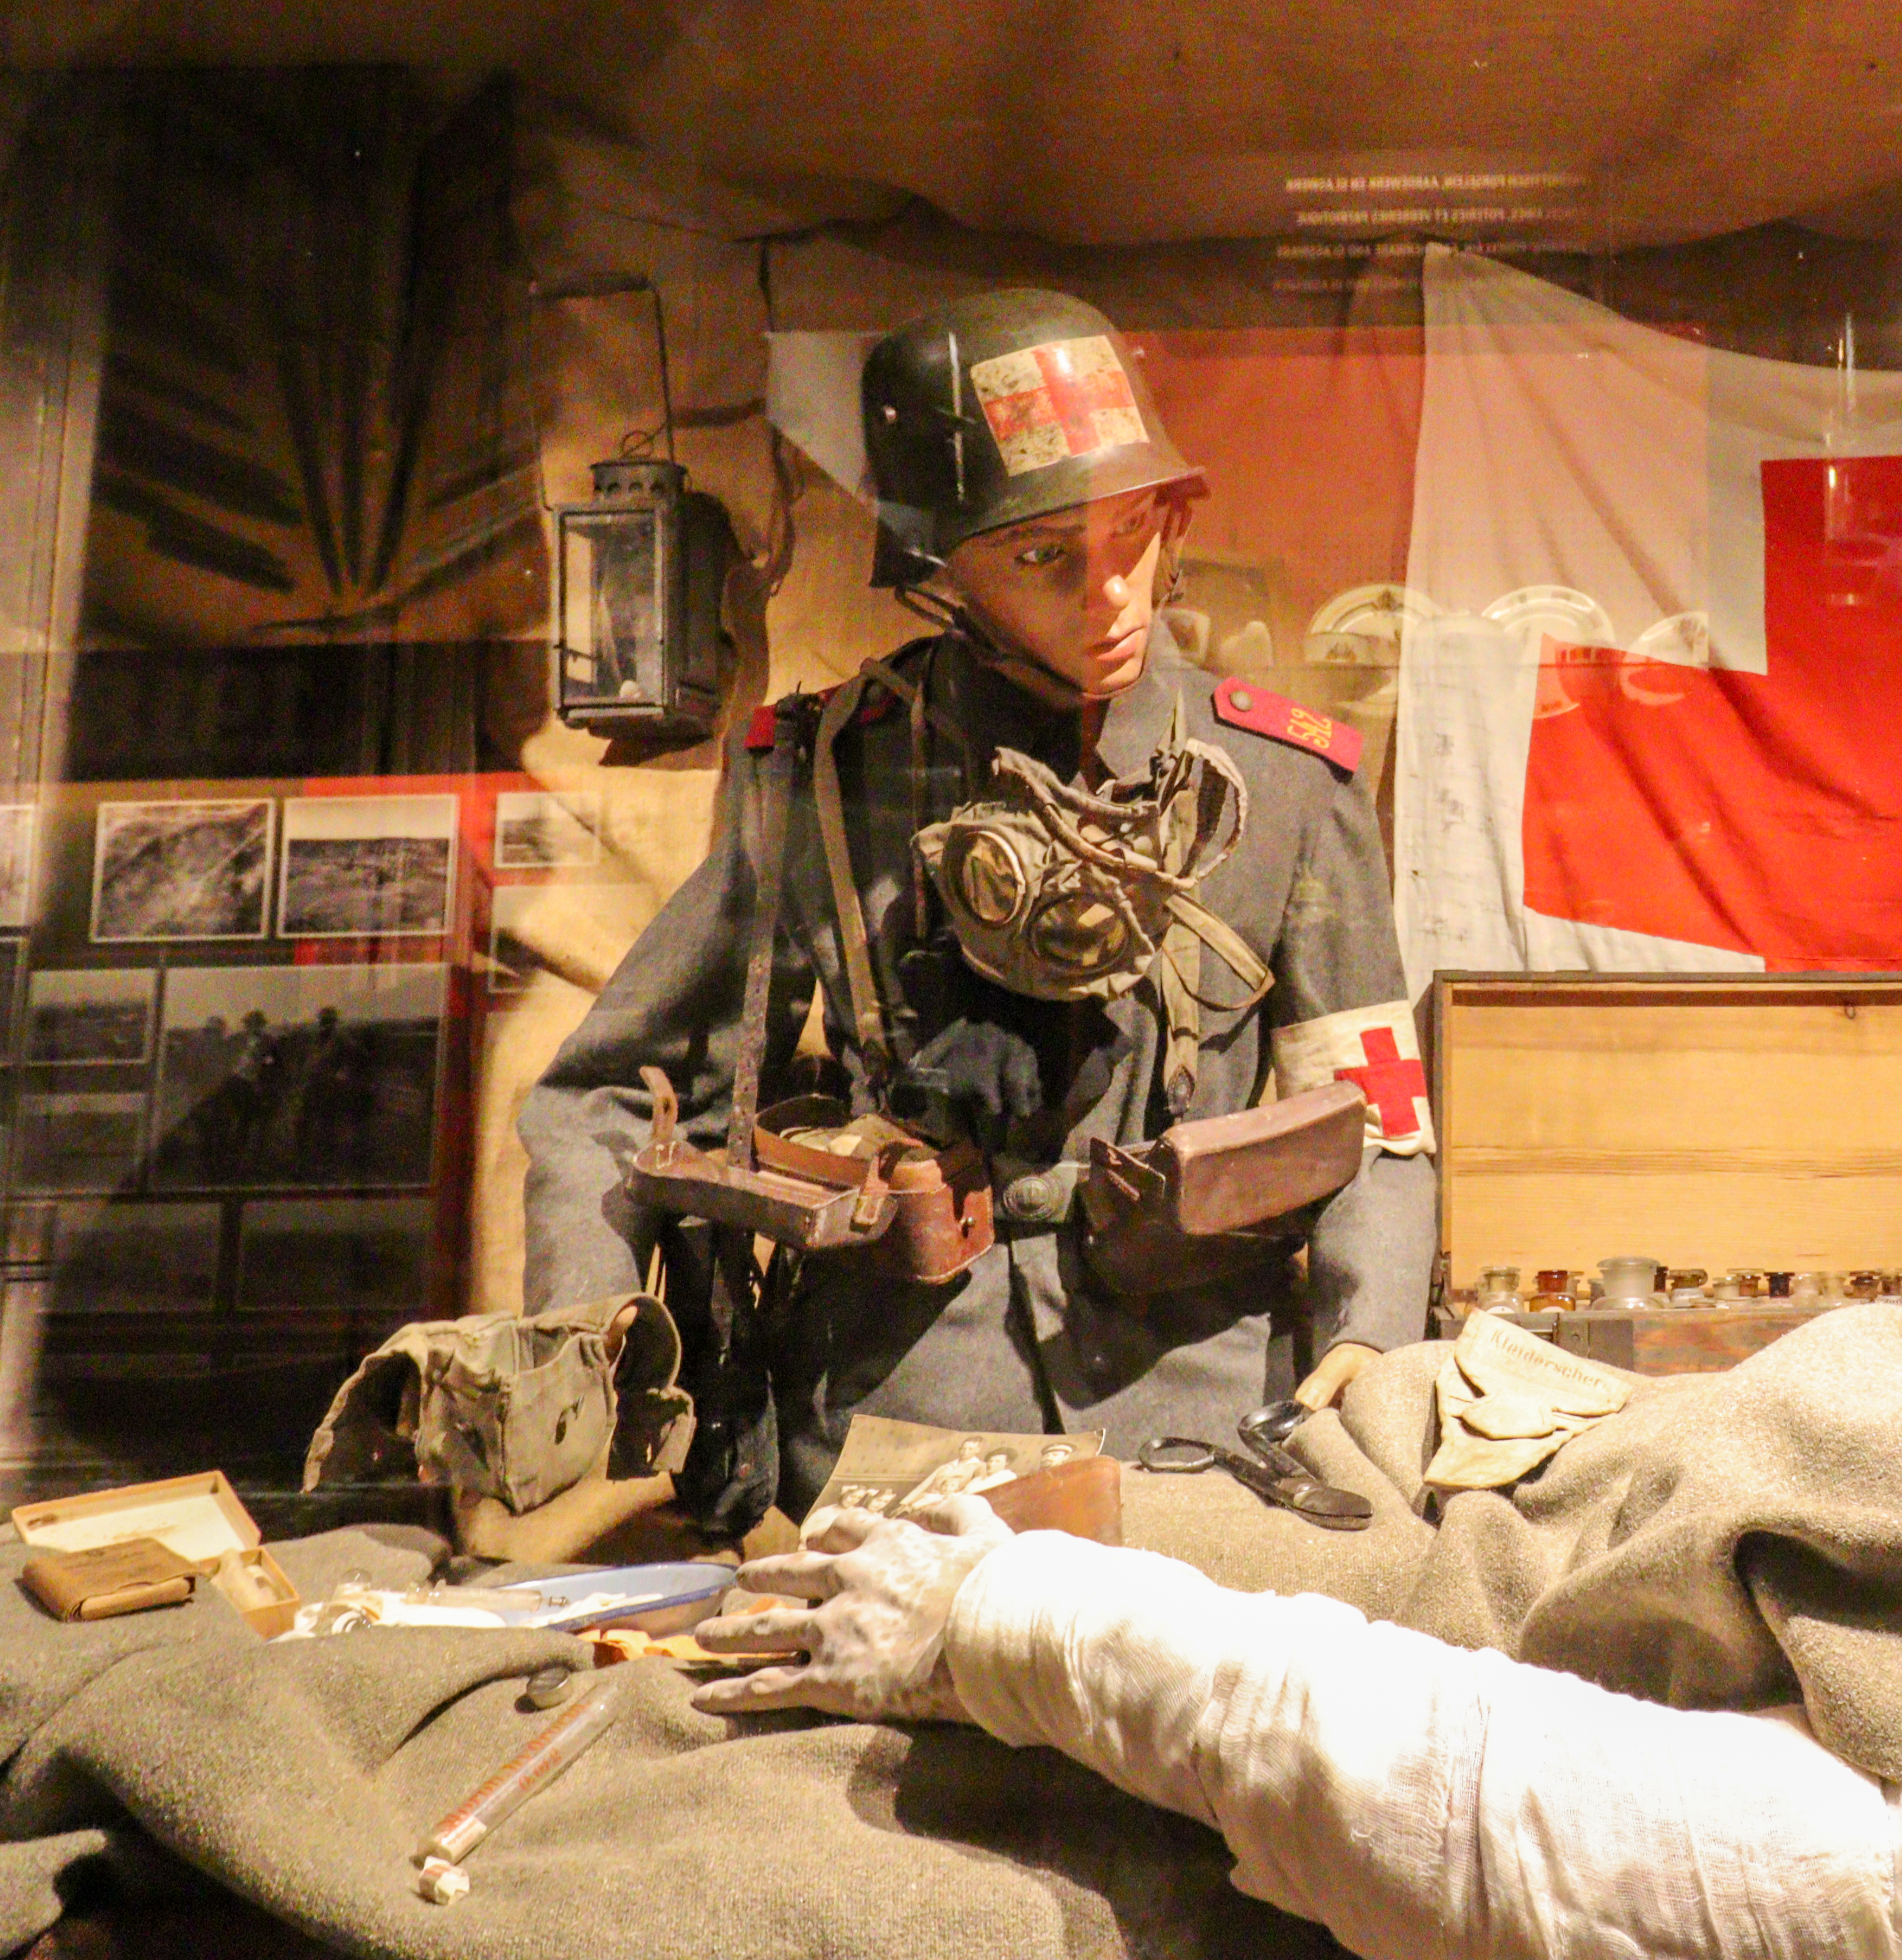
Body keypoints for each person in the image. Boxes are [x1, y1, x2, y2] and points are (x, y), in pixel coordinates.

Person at [520, 289, 1436, 1526]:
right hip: (902, 1406)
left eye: (1135, 531)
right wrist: (586, 1330)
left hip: (1207, 1411)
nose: (1113, 593)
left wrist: (1370, 1334)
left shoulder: (1283, 783)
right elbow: (609, 1089)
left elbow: (1375, 1105)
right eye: (1043, 555)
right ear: (939, 565)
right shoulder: (829, 778)